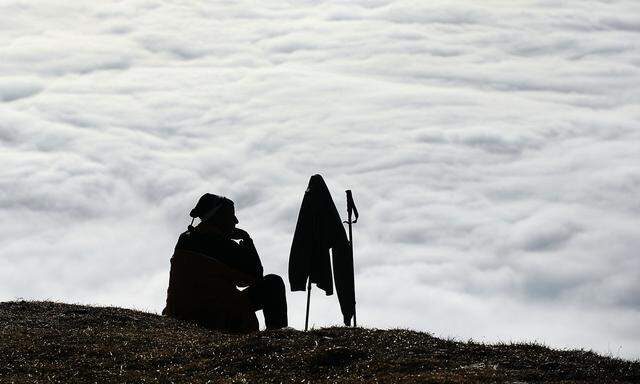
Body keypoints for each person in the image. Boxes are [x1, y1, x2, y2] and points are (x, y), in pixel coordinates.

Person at [163, 193, 288, 333]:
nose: (236, 221)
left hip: (179, 313)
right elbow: (254, 277)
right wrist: (247, 241)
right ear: (218, 217)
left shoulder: (185, 238)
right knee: (272, 283)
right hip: (216, 318)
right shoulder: (225, 246)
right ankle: (278, 335)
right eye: (231, 216)